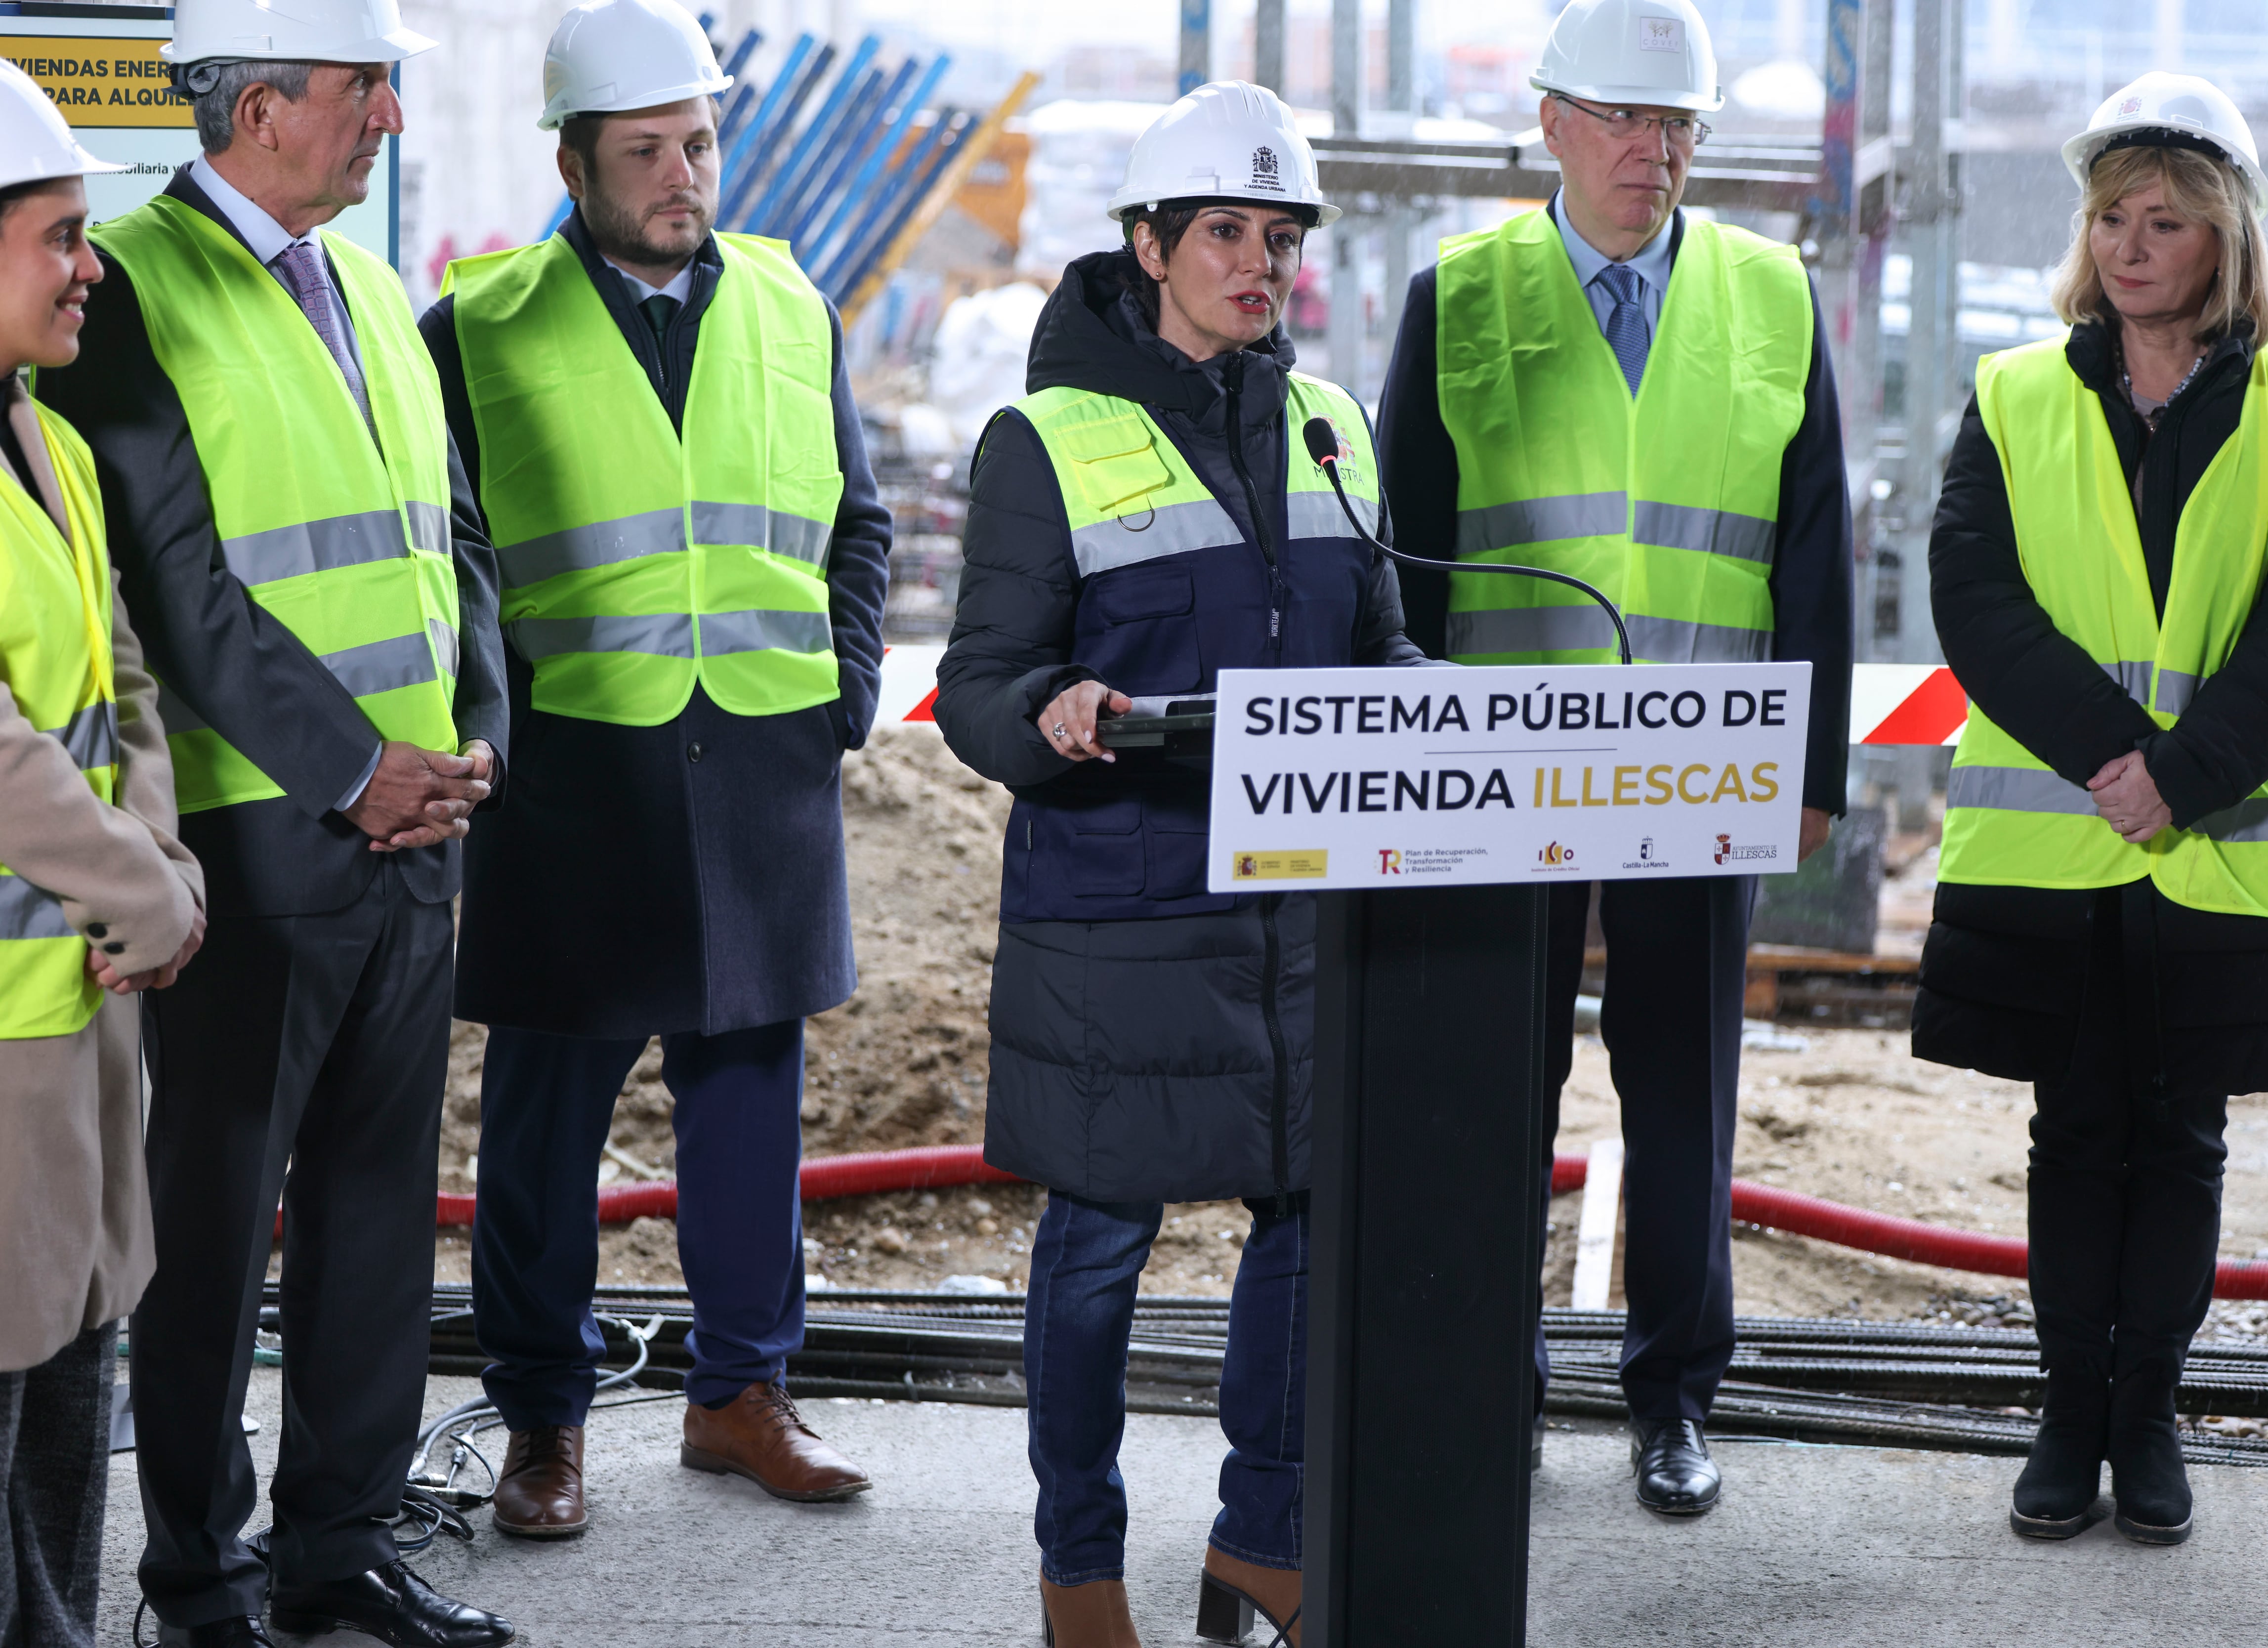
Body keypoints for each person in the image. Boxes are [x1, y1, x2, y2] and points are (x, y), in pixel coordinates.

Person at [34, 1, 515, 1642]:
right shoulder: (134, 297)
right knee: (213, 1229)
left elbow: (457, 542)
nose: (384, 115)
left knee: (380, 1220)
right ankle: (198, 1571)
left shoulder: (377, 288)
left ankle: (338, 1543)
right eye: (361, 85)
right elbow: (180, 586)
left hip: (419, 832)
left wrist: (475, 736)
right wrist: (352, 770)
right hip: (262, 846)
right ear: (254, 109)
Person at [936, 80, 1421, 1648]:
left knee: (1300, 1222)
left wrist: (1435, 707)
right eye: (1226, 230)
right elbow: (980, 686)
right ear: (1149, 245)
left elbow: (1384, 643)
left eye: (1279, 236)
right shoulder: (1048, 439)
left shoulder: (1334, 426)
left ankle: (1261, 1541)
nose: (1259, 262)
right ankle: (1080, 1567)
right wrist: (1050, 709)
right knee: (1098, 1250)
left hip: (1297, 916)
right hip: (1121, 912)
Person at [1375, 0, 1853, 1515]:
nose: (1660, 151)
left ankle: (1673, 1398)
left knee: (1686, 1084)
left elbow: (1816, 550)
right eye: (1632, 122)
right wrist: (1410, 768)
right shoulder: (1459, 295)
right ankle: (1482, 1383)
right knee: (1489, 1083)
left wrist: (1813, 768)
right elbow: (1408, 554)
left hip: (1705, 764)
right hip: (1502, 763)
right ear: (1555, 125)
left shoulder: (1776, 295)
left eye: (1682, 128)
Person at [418, 0, 889, 1534]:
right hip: (573, 779)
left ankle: (740, 1396)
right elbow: (455, 561)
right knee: (548, 1123)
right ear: (575, 161)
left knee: (751, 1101)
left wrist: (848, 698)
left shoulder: (791, 304)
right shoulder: (478, 330)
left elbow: (857, 527)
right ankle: (545, 1421)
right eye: (647, 151)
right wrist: (499, 733)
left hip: (761, 763)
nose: (684, 174)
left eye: (698, 141)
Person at [1916, 72, 2268, 1547]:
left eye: (2164, 219)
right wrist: (2120, 753)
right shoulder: (2013, 395)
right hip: (2061, 847)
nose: (2130, 244)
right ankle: (2066, 1419)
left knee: (2180, 1142)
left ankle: (2147, 1420)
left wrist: (2176, 775)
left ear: (2224, 238)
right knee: (2075, 1131)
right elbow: (1976, 600)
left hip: (2214, 853)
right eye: (2112, 216)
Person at [0, 60, 205, 1648]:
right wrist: (142, 886)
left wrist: (164, 863)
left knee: (73, 1368)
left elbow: (120, 676)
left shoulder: (48, 444)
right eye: (63, 235)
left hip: (80, 1001)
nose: (93, 269)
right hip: (21, 1018)